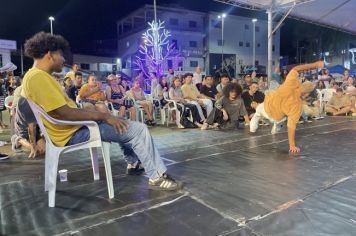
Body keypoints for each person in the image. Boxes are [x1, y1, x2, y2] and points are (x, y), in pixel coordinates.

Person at [21, 31, 181, 190]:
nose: (64, 59)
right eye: (61, 55)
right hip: (72, 132)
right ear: (50, 54)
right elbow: (65, 113)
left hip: (71, 129)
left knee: (122, 123)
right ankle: (157, 176)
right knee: (139, 130)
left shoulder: (34, 76)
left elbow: (29, 109)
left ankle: (133, 163)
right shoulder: (38, 77)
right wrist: (104, 117)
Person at [250, 61, 325, 153]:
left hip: (266, 107)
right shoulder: (297, 106)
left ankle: (254, 127)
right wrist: (292, 145)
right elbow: (291, 126)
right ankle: (276, 125)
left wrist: (315, 65)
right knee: (285, 118)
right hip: (276, 117)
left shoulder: (291, 82)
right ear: (306, 94)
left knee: (257, 113)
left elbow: (296, 68)